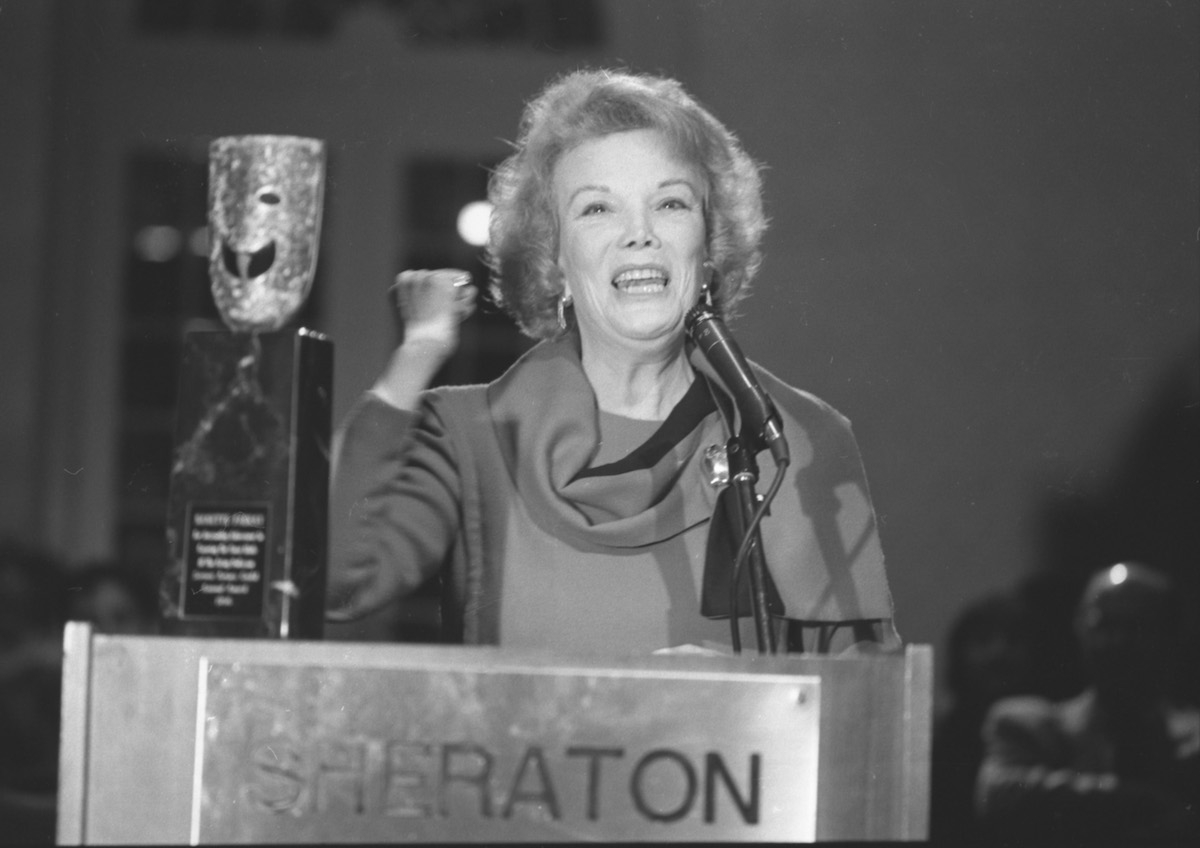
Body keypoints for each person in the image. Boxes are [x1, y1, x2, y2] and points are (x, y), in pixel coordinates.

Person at [327, 69, 897, 656]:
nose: (640, 235)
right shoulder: (470, 435)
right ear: (556, 262)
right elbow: (337, 579)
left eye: (670, 203)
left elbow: (869, 702)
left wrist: (742, 697)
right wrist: (418, 354)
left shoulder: (796, 437)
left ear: (708, 248)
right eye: (597, 209)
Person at [976, 562, 1200, 843]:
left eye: (1135, 626)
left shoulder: (1194, 737)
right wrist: (1137, 799)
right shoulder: (1029, 726)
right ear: (1079, 628)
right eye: (1103, 624)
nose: (1116, 641)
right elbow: (999, 795)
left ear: (1171, 638)